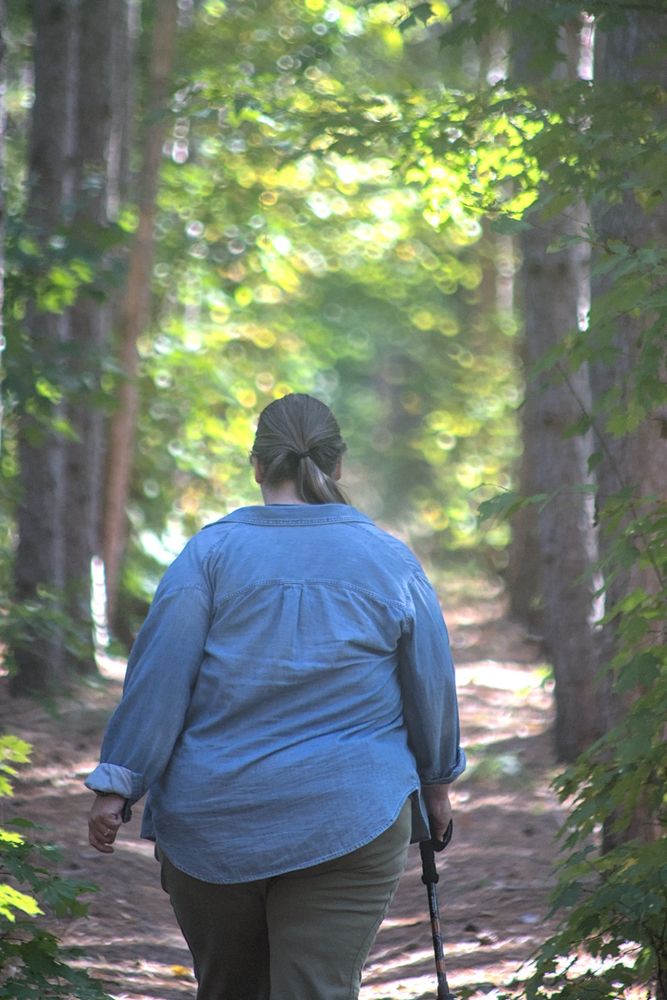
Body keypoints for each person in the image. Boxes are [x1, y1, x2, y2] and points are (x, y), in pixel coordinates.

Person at [86, 392, 465, 1000]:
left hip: (213, 820)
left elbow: (158, 681)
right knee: (318, 989)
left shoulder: (208, 555)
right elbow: (432, 689)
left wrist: (119, 782)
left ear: (258, 465)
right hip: (354, 813)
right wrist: (438, 783)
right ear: (337, 466)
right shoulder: (390, 561)